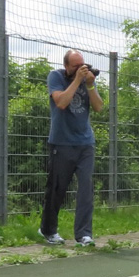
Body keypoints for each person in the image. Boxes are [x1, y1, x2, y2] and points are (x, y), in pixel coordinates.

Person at [39, 50, 104, 246]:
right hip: (62, 142)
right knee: (57, 189)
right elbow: (61, 102)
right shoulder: (56, 77)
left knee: (86, 189)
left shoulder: (87, 81)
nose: (80, 69)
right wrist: (77, 80)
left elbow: (99, 107)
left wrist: (90, 85)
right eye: (75, 66)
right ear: (67, 66)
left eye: (82, 65)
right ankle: (48, 230)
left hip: (85, 143)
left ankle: (84, 234)